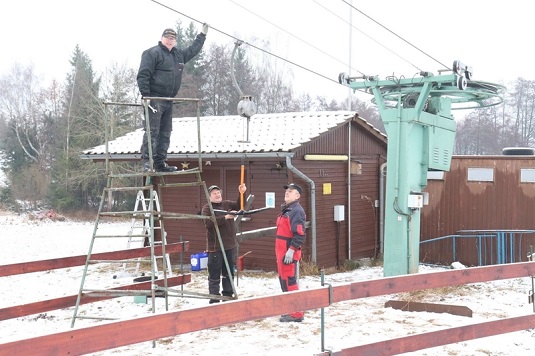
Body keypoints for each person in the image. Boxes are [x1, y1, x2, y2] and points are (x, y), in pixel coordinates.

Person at [137, 24, 209, 172]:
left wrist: (202, 35)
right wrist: (146, 96)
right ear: (162, 38)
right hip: (154, 99)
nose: (170, 41)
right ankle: (147, 162)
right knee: (152, 131)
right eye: (167, 38)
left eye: (172, 38)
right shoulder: (152, 53)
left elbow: (193, 50)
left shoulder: (178, 55)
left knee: (165, 132)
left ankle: (160, 163)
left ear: (175, 41)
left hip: (169, 100)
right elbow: (143, 75)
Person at [202, 183, 247, 303]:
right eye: (214, 193)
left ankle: (227, 295)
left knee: (229, 273)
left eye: (218, 193)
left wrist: (241, 193)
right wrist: (225, 217)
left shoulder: (226, 204)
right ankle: (214, 298)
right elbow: (208, 223)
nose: (217, 195)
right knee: (214, 275)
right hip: (215, 248)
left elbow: (239, 205)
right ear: (209, 196)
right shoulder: (207, 208)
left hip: (229, 246)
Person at [275, 183, 306, 322]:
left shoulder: (296, 211)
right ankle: (290, 309)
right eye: (287, 190)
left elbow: (299, 234)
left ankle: (297, 313)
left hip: (288, 253)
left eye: (291, 191)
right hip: (281, 252)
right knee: (284, 282)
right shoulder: (287, 210)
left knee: (290, 281)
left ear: (297, 196)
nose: (287, 192)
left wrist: (291, 250)